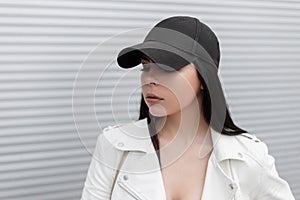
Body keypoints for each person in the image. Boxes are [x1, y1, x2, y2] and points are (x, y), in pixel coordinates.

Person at [81, 16, 295, 200]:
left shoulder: (248, 156)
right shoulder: (114, 146)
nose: (150, 79)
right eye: (146, 67)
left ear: (205, 78)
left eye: (167, 67)